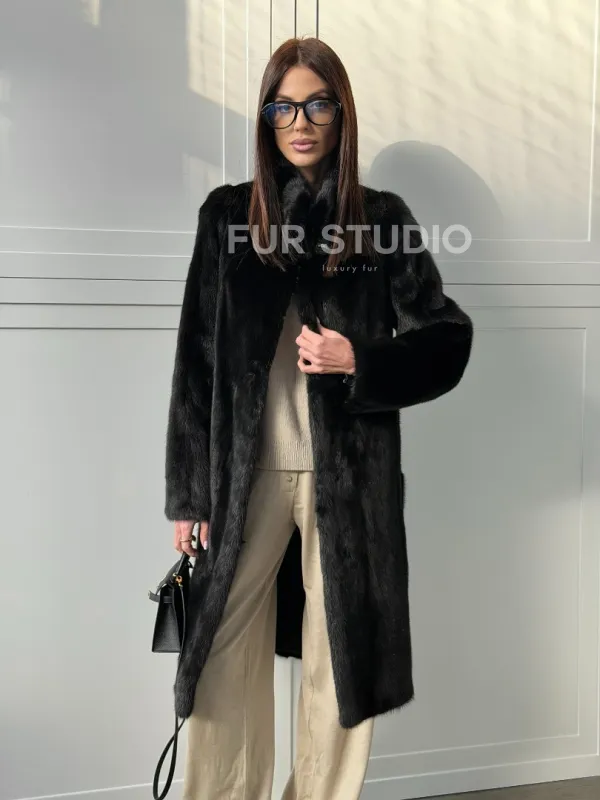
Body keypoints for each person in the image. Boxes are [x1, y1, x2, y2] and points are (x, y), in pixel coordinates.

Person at [164, 36, 473, 800]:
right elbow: (196, 357)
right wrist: (189, 494)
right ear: (266, 117)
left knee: (340, 658)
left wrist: (360, 358)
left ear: (341, 113)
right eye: (283, 107)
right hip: (245, 473)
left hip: (350, 477)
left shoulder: (380, 220)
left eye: (317, 105)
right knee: (221, 652)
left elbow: (447, 337)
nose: (300, 122)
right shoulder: (228, 216)